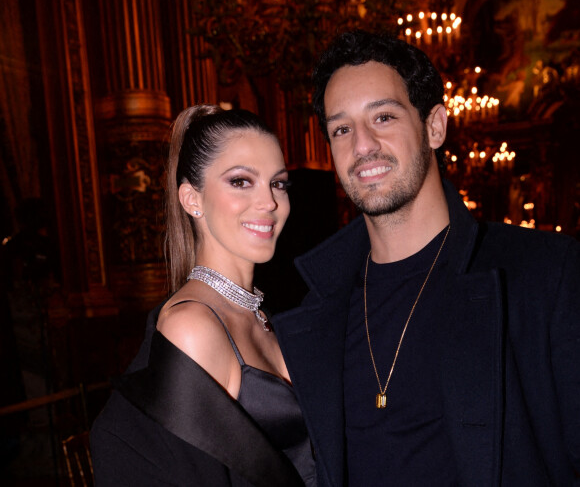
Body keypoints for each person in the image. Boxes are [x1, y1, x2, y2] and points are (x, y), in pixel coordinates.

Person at [271, 30, 580, 486]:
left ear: (434, 126)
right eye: (341, 129)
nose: (362, 146)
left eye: (383, 117)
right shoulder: (309, 307)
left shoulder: (544, 275)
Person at [90, 105, 316, 487]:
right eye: (242, 181)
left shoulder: (262, 314)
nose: (270, 203)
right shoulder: (192, 326)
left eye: (278, 183)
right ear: (192, 199)